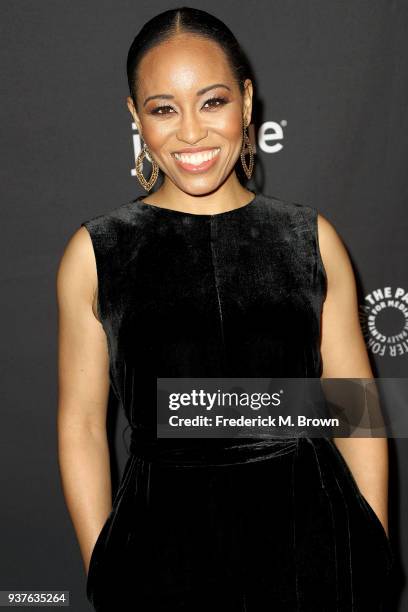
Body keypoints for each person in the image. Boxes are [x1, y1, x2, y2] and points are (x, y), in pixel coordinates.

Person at [56, 7, 393, 611]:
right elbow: (82, 426)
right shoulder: (97, 253)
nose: (190, 133)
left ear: (245, 99)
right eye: (163, 108)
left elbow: (353, 410)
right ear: (136, 117)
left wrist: (370, 547)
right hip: (160, 552)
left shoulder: (309, 239)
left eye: (211, 102)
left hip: (313, 543)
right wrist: (103, 569)